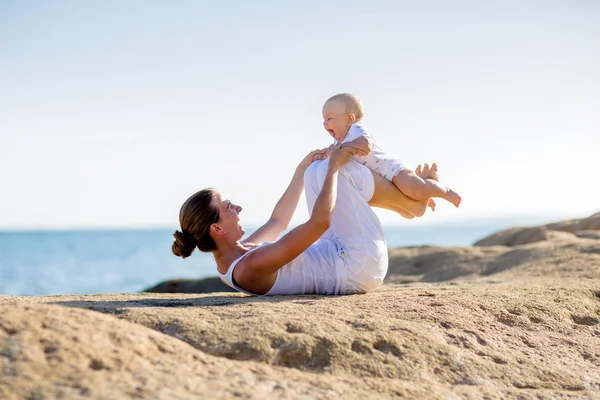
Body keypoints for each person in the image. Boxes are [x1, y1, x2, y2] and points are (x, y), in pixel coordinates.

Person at [172, 139, 432, 296]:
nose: (238, 208)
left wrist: (302, 169)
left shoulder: (236, 258)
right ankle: (413, 204)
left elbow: (278, 222)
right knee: (341, 172)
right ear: (216, 228)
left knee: (314, 172)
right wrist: (333, 167)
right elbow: (319, 223)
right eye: (229, 207)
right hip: (358, 268)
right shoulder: (252, 265)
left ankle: (411, 203)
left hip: (340, 256)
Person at [322, 93, 461, 213]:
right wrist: (326, 152)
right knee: (408, 202)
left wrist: (343, 147)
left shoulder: (356, 129)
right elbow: (335, 153)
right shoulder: (339, 142)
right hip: (381, 176)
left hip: (392, 168)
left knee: (417, 189)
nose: (325, 124)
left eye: (329, 119)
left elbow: (366, 146)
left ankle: (445, 191)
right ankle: (425, 196)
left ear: (349, 119)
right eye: (324, 120)